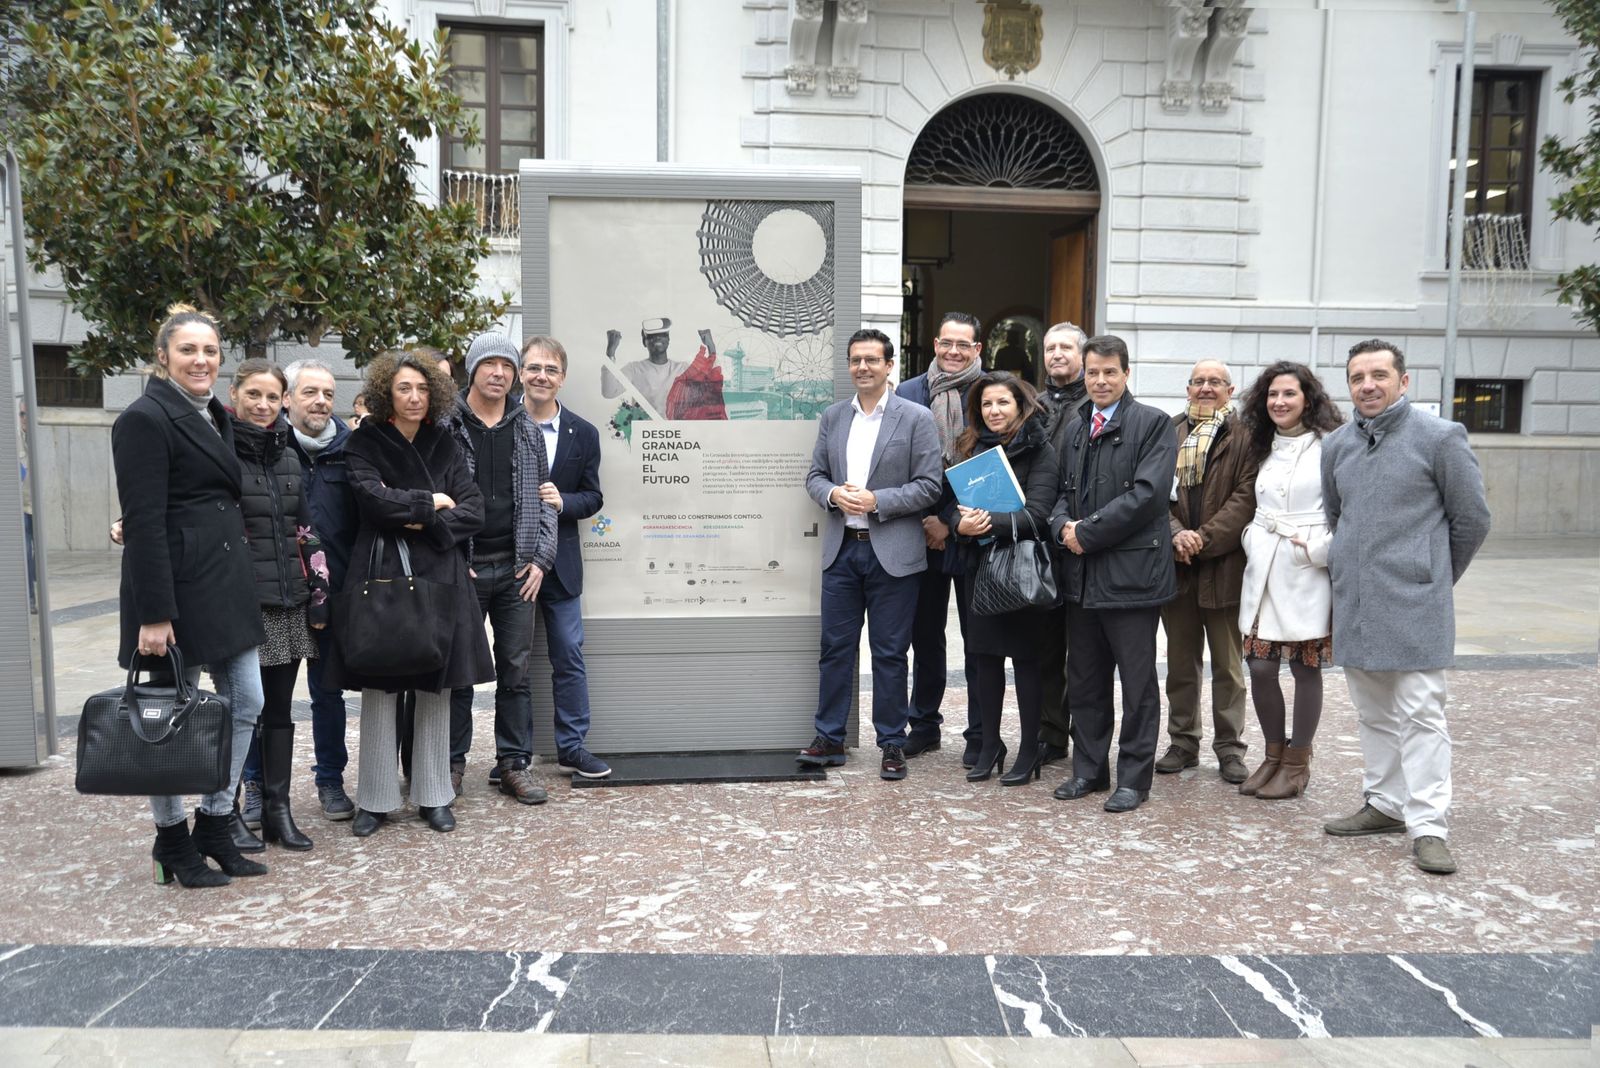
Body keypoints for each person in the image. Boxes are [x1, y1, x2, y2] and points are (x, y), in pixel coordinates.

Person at [111, 304, 267, 887]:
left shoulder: (214, 414)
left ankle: (215, 821)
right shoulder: (146, 418)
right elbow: (144, 521)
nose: (200, 360)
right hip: (173, 594)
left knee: (246, 701)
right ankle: (172, 839)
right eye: (188, 350)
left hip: (224, 587)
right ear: (163, 357)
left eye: (209, 351)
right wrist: (155, 614)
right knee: (165, 722)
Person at [1321, 339, 1490, 875]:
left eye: (1378, 375)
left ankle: (1429, 825)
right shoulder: (1338, 445)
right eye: (1357, 377)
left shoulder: (1440, 438)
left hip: (1416, 601)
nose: (1367, 385)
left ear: (1403, 381)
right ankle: (1385, 804)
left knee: (1421, 714)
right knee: (1373, 713)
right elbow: (1336, 517)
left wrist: (1435, 576)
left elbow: (1472, 520)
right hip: (1356, 601)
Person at [325, 350, 494, 836]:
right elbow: (372, 501)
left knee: (435, 685)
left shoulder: (444, 442)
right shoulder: (364, 442)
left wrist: (421, 518)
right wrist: (433, 502)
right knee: (379, 684)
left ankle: (434, 795)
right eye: (404, 389)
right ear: (386, 394)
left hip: (441, 574)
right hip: (379, 571)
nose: (415, 397)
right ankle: (374, 800)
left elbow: (475, 510)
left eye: (422, 389)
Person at [800, 328, 941, 780]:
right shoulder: (834, 417)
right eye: (856, 360)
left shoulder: (916, 417)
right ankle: (829, 738)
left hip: (893, 554)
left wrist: (877, 501)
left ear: (889, 365)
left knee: (890, 652)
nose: (863, 367)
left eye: (872, 360)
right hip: (841, 552)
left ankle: (892, 743)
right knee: (835, 649)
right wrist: (833, 495)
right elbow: (815, 476)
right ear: (849, 365)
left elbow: (930, 486)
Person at [1049, 335, 1177, 814]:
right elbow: (1062, 489)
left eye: (1109, 372)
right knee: (1084, 679)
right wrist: (1062, 525)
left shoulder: (1153, 424)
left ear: (1126, 374)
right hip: (1081, 575)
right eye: (1092, 373)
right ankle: (1088, 769)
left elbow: (1148, 496)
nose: (1099, 381)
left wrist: (1088, 532)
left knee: (1137, 683)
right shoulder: (1077, 426)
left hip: (1132, 577)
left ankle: (1134, 779)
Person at [443, 333, 559, 805]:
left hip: (516, 572)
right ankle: (450, 765)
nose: (499, 373)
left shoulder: (527, 428)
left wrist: (541, 560)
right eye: (489, 364)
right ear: (472, 370)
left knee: (516, 672)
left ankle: (513, 763)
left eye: (506, 366)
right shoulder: (446, 426)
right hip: (464, 569)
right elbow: (435, 498)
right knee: (459, 673)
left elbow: (547, 500)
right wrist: (449, 558)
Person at [222, 359, 330, 851]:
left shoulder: (286, 453)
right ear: (235, 394)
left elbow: (304, 528)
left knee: (281, 710)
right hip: (244, 602)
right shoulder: (218, 448)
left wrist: (320, 589)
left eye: (271, 397)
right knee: (245, 706)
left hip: (289, 600)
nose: (263, 406)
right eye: (254, 395)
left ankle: (277, 808)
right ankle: (230, 807)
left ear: (282, 401)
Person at [1235, 361, 1344, 800]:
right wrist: (1250, 538)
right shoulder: (1261, 444)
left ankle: (1297, 763)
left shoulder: (1330, 445)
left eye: (1289, 394)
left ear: (1308, 399)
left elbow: (1344, 507)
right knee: (1260, 666)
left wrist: (1319, 550)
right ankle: (1273, 755)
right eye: (1273, 395)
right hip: (1265, 563)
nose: (1279, 402)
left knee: (1304, 665)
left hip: (1306, 566)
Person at [950, 372, 1059, 787]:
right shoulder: (971, 450)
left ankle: (1029, 750)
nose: (993, 411)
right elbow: (950, 508)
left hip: (1023, 572)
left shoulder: (1041, 450)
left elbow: (1039, 515)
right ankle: (991, 744)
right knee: (985, 661)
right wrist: (961, 526)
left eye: (1002, 403)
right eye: (986, 405)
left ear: (1021, 406)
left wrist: (986, 523)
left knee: (1027, 664)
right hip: (981, 572)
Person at [1155, 360, 1258, 785]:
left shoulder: (1247, 436)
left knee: (1229, 667)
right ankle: (1183, 742)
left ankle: (1230, 748)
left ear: (1230, 390)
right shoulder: (1167, 432)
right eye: (1198, 381)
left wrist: (1204, 538)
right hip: (1176, 569)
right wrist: (1178, 533)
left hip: (1224, 567)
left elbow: (1246, 496)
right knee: (1180, 664)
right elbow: (1153, 490)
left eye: (1215, 382)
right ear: (1187, 387)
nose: (1205, 388)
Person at [896, 311, 987, 763]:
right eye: (946, 343)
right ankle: (924, 725)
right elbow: (899, 464)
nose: (954, 352)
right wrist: (929, 522)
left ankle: (979, 732)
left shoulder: (992, 392)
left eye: (963, 345)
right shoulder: (909, 393)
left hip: (976, 533)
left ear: (978, 350)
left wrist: (950, 523)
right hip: (922, 533)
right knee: (924, 635)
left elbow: (997, 468)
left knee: (979, 638)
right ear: (934, 344)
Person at [521, 335, 611, 779]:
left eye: (551, 370)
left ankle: (573, 746)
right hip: (513, 562)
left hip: (563, 566)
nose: (542, 376)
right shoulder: (499, 424)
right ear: (522, 373)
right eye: (534, 368)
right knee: (511, 659)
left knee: (569, 656)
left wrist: (564, 502)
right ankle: (512, 756)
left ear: (563, 378)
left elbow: (593, 497)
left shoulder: (584, 433)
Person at [284, 360, 360, 821]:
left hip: (334, 594)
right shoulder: (266, 447)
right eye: (310, 392)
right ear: (289, 398)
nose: (320, 402)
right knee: (265, 698)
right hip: (277, 594)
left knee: (328, 695)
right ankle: (258, 787)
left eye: (328, 394)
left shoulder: (353, 451)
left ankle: (330, 781)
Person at [1034, 322, 1088, 765]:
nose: (1057, 354)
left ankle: (1085, 733)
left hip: (1081, 534)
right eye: (1050, 347)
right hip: (1039, 535)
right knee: (1047, 646)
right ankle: (1051, 733)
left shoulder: (1097, 402)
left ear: (1082, 355)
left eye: (1066, 347)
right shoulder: (1033, 402)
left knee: (1083, 649)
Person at [603, 318, 725, 419]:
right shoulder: (634, 369)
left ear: (668, 340)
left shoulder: (682, 369)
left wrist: (711, 346)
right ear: (644, 342)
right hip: (646, 439)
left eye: (662, 335)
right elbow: (609, 392)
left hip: (676, 437)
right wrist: (610, 353)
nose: (657, 339)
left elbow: (711, 386)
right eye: (651, 336)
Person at [18, 401, 36, 614]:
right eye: (21, 414)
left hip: (35, 506)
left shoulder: (36, 440)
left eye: (27, 414)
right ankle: (29, 598)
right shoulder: (14, 441)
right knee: (26, 551)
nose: (24, 418)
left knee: (35, 556)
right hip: (21, 506)